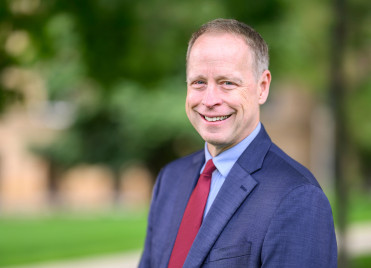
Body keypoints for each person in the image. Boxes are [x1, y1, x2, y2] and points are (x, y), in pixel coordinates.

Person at [138, 18, 337, 268]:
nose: (209, 100)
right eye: (199, 82)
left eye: (227, 83)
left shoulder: (298, 197)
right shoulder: (170, 179)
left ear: (262, 88)